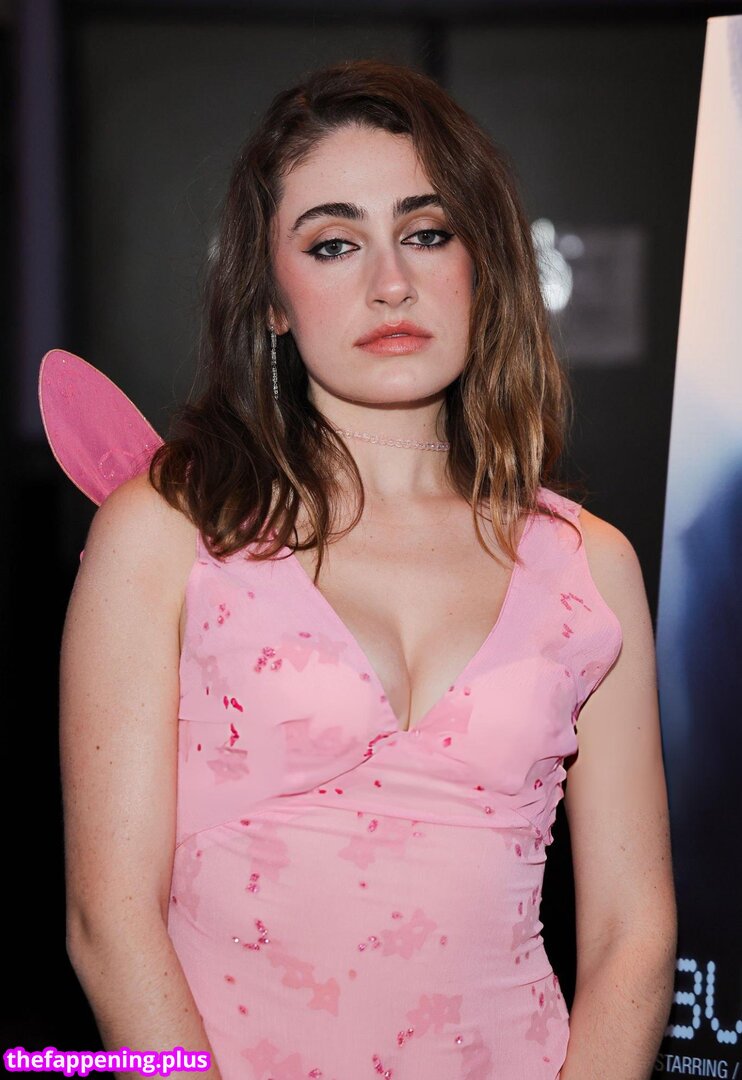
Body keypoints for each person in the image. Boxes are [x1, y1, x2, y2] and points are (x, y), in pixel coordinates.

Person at [57, 58, 677, 1080]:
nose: (391, 282)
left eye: (427, 233)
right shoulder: (167, 533)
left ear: (483, 264)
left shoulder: (587, 565)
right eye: (334, 244)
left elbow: (632, 938)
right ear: (271, 299)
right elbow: (107, 921)